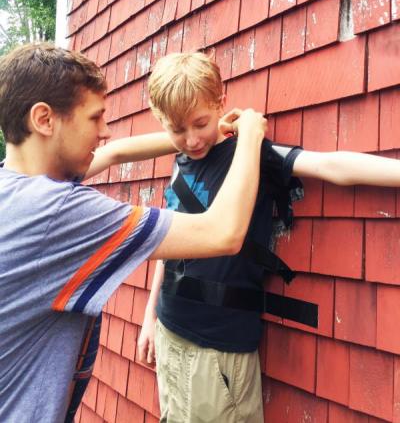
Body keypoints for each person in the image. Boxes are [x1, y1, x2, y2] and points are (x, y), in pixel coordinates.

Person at [0, 43, 268, 423]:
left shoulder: (12, 185)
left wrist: (199, 135)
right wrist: (251, 135)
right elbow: (222, 232)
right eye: (95, 118)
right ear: (44, 119)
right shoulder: (57, 214)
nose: (105, 132)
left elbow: (114, 154)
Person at [130, 51, 400, 423]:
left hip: (217, 350)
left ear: (220, 102)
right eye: (177, 130)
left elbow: (331, 165)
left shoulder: (248, 154)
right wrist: (150, 317)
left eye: (200, 123)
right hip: (171, 332)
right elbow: (171, 242)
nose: (191, 139)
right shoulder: (181, 160)